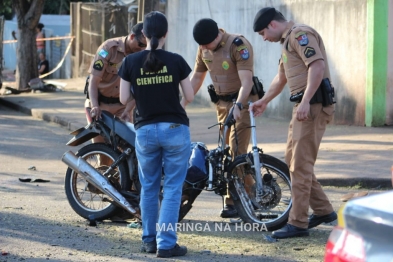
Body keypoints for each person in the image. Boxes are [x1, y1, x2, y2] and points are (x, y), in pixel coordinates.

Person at [250, 7, 337, 239]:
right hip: (303, 106)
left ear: (272, 25)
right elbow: (282, 77)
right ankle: (323, 210)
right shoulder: (287, 41)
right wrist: (264, 101)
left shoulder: (300, 35)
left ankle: (297, 223)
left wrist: (307, 100)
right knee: (293, 161)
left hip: (312, 106)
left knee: (299, 165)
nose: (264, 39)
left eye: (262, 33)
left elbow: (317, 66)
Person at [118, 11, 194, 258]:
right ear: (166, 34)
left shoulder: (130, 62)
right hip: (175, 129)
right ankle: (166, 243)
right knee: (172, 187)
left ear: (143, 34)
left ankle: (149, 240)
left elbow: (122, 98)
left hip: (146, 130)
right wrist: (174, 108)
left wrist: (143, 95)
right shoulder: (176, 60)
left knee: (148, 187)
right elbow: (190, 96)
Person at [181, 18, 258, 218]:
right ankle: (232, 198)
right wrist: (182, 103)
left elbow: (247, 81)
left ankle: (245, 198)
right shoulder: (204, 49)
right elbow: (197, 77)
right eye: (201, 45)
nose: (204, 47)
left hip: (241, 103)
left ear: (217, 36)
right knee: (222, 155)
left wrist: (239, 106)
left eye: (207, 43)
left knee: (237, 152)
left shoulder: (238, 45)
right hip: (221, 105)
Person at [87, 22, 146, 134]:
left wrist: (128, 111)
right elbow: (93, 81)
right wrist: (94, 106)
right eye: (141, 45)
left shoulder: (141, 56)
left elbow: (138, 87)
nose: (142, 49)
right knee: (100, 145)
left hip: (122, 107)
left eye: (145, 46)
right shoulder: (108, 48)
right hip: (100, 104)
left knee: (125, 146)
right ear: (132, 37)